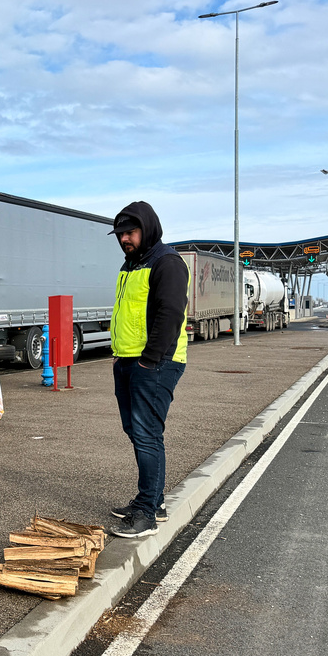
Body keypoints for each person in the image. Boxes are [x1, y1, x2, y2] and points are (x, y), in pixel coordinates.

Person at [107, 201, 189, 539]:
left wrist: (149, 359)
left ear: (148, 229)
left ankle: (146, 515)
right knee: (136, 430)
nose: (125, 238)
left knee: (146, 433)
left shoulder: (166, 263)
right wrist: (122, 357)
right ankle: (153, 502)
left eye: (131, 232)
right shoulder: (130, 265)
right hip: (128, 359)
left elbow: (170, 314)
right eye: (121, 233)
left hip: (154, 363)